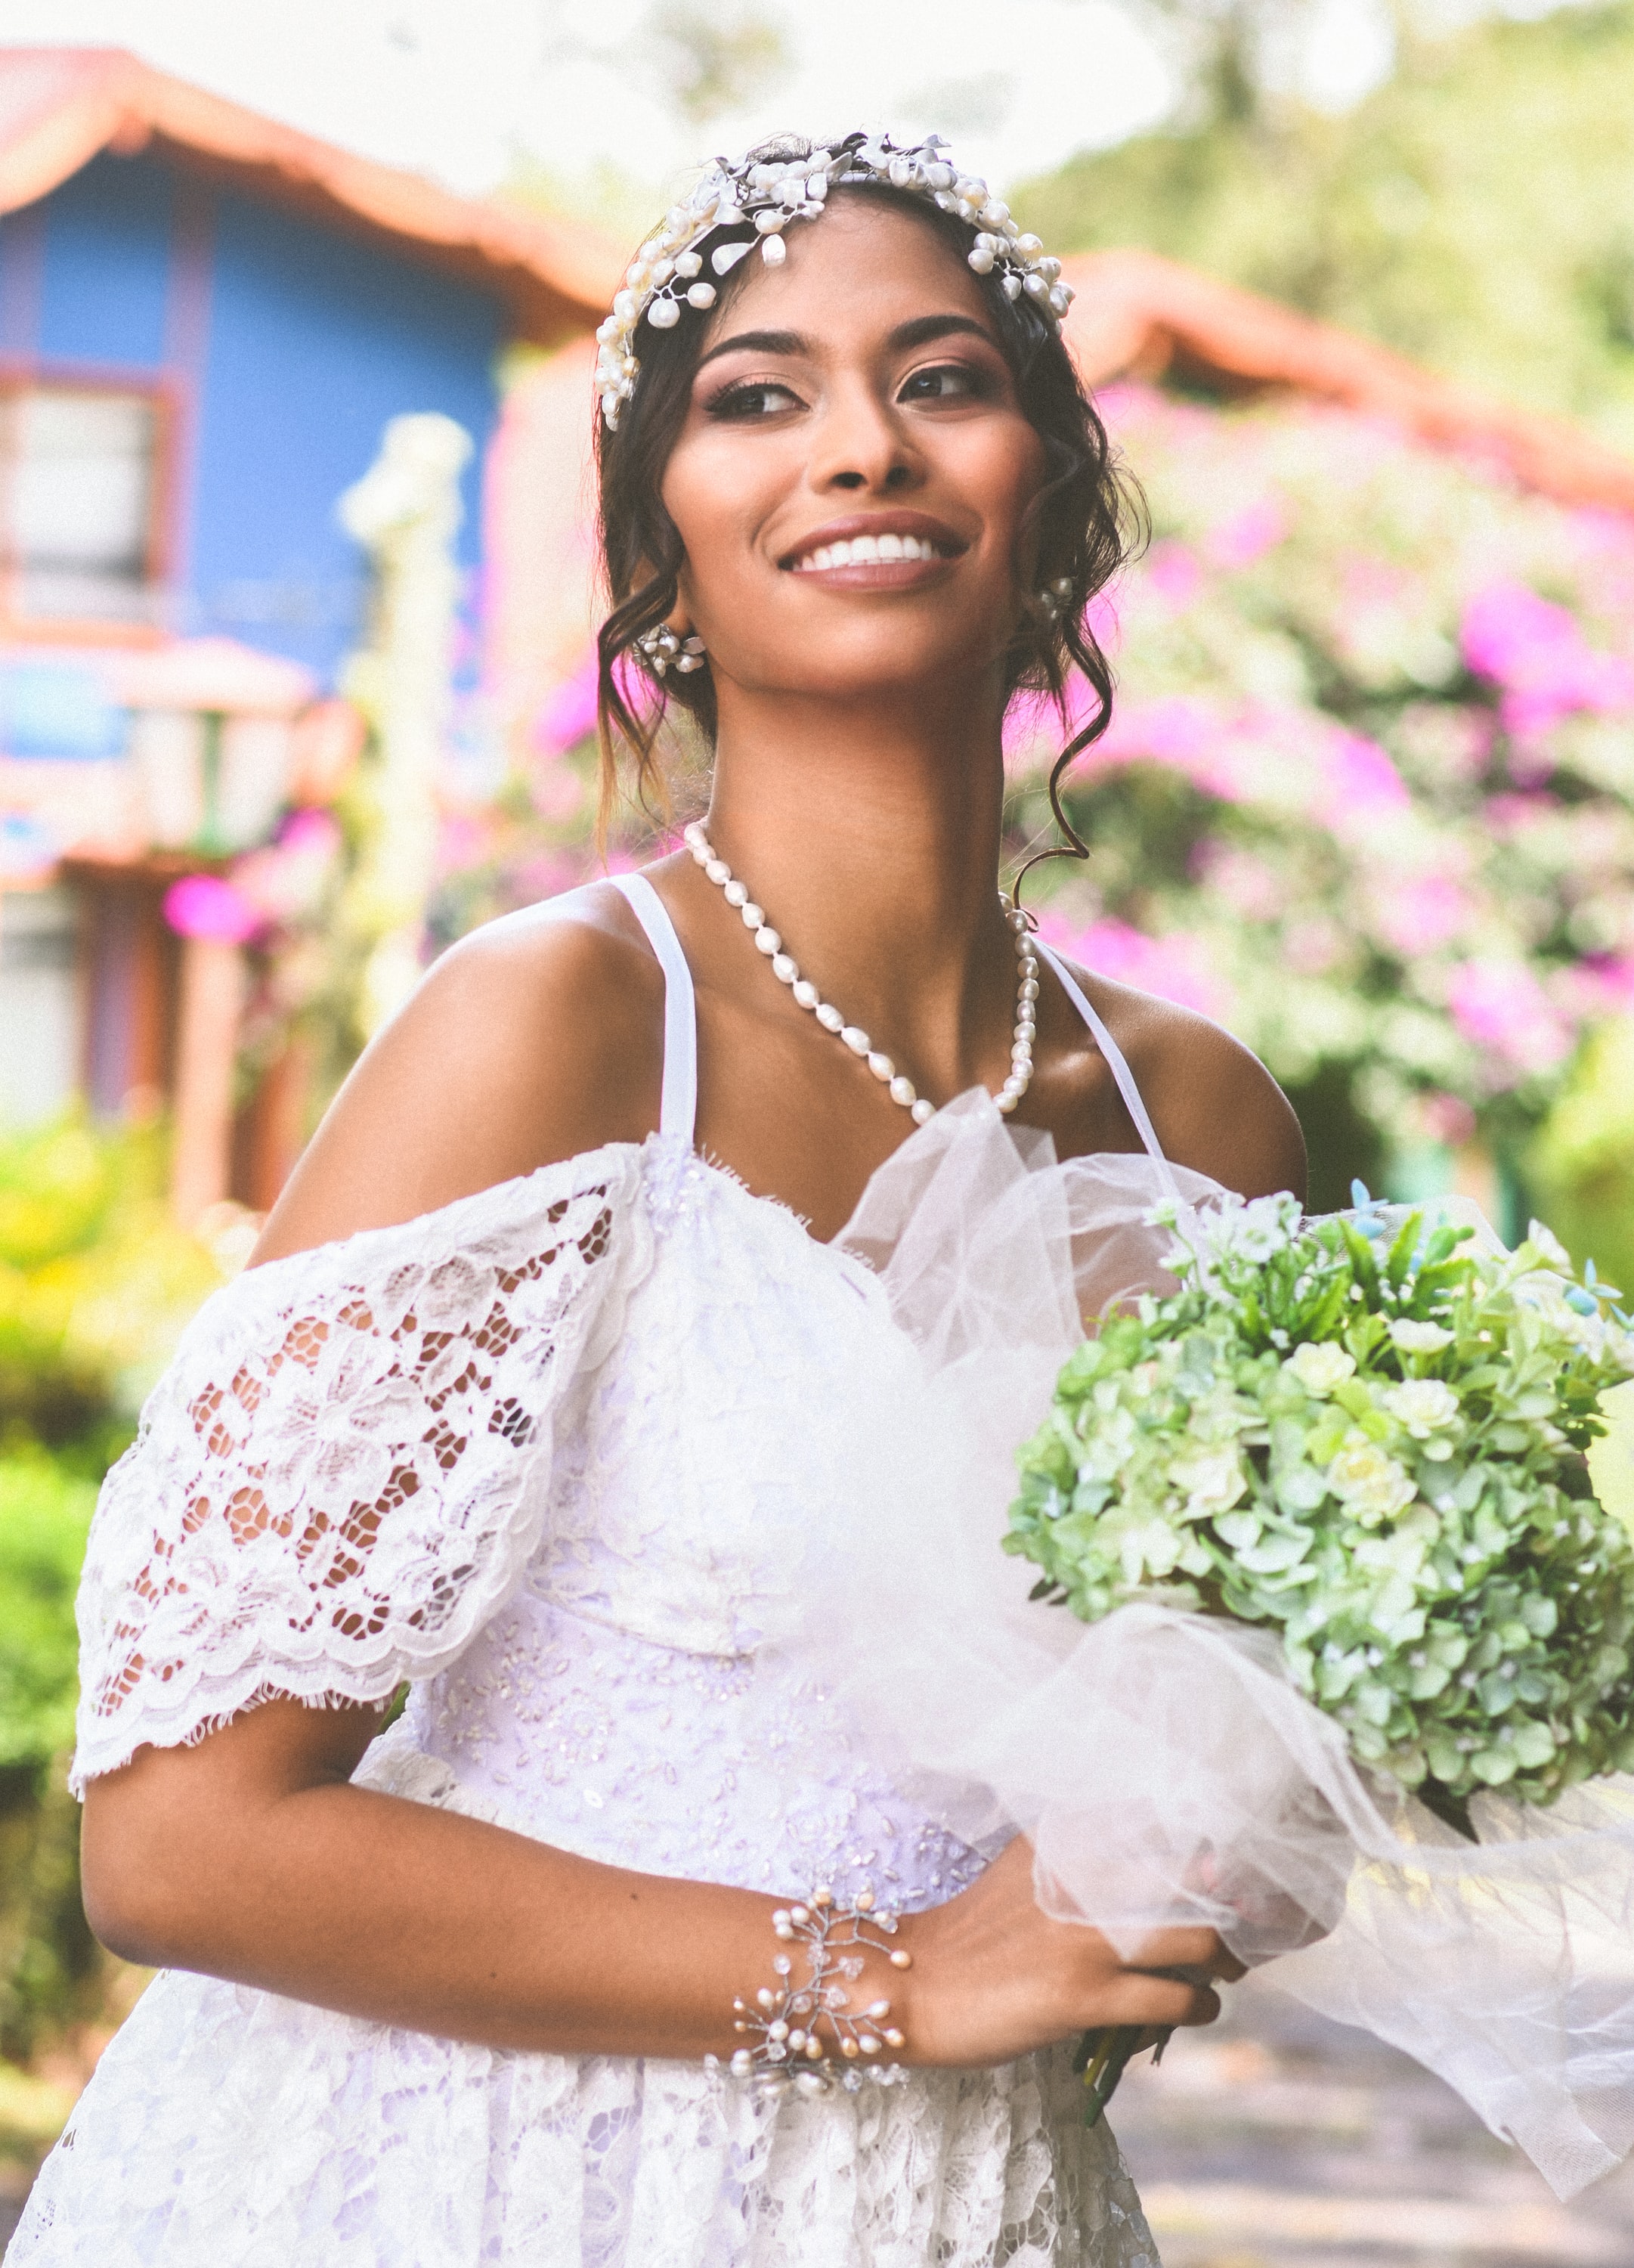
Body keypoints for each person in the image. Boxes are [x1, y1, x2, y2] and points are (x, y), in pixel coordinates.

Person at [9, 133, 1303, 2265]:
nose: (861, 448)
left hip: (964, 2203)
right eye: (760, 397)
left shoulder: (1203, 1129)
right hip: (470, 2187)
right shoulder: (550, 1033)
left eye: (943, 377)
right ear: (664, 554)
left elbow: (1213, 1755)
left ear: (1052, 498)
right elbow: (178, 1846)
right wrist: (885, 1985)